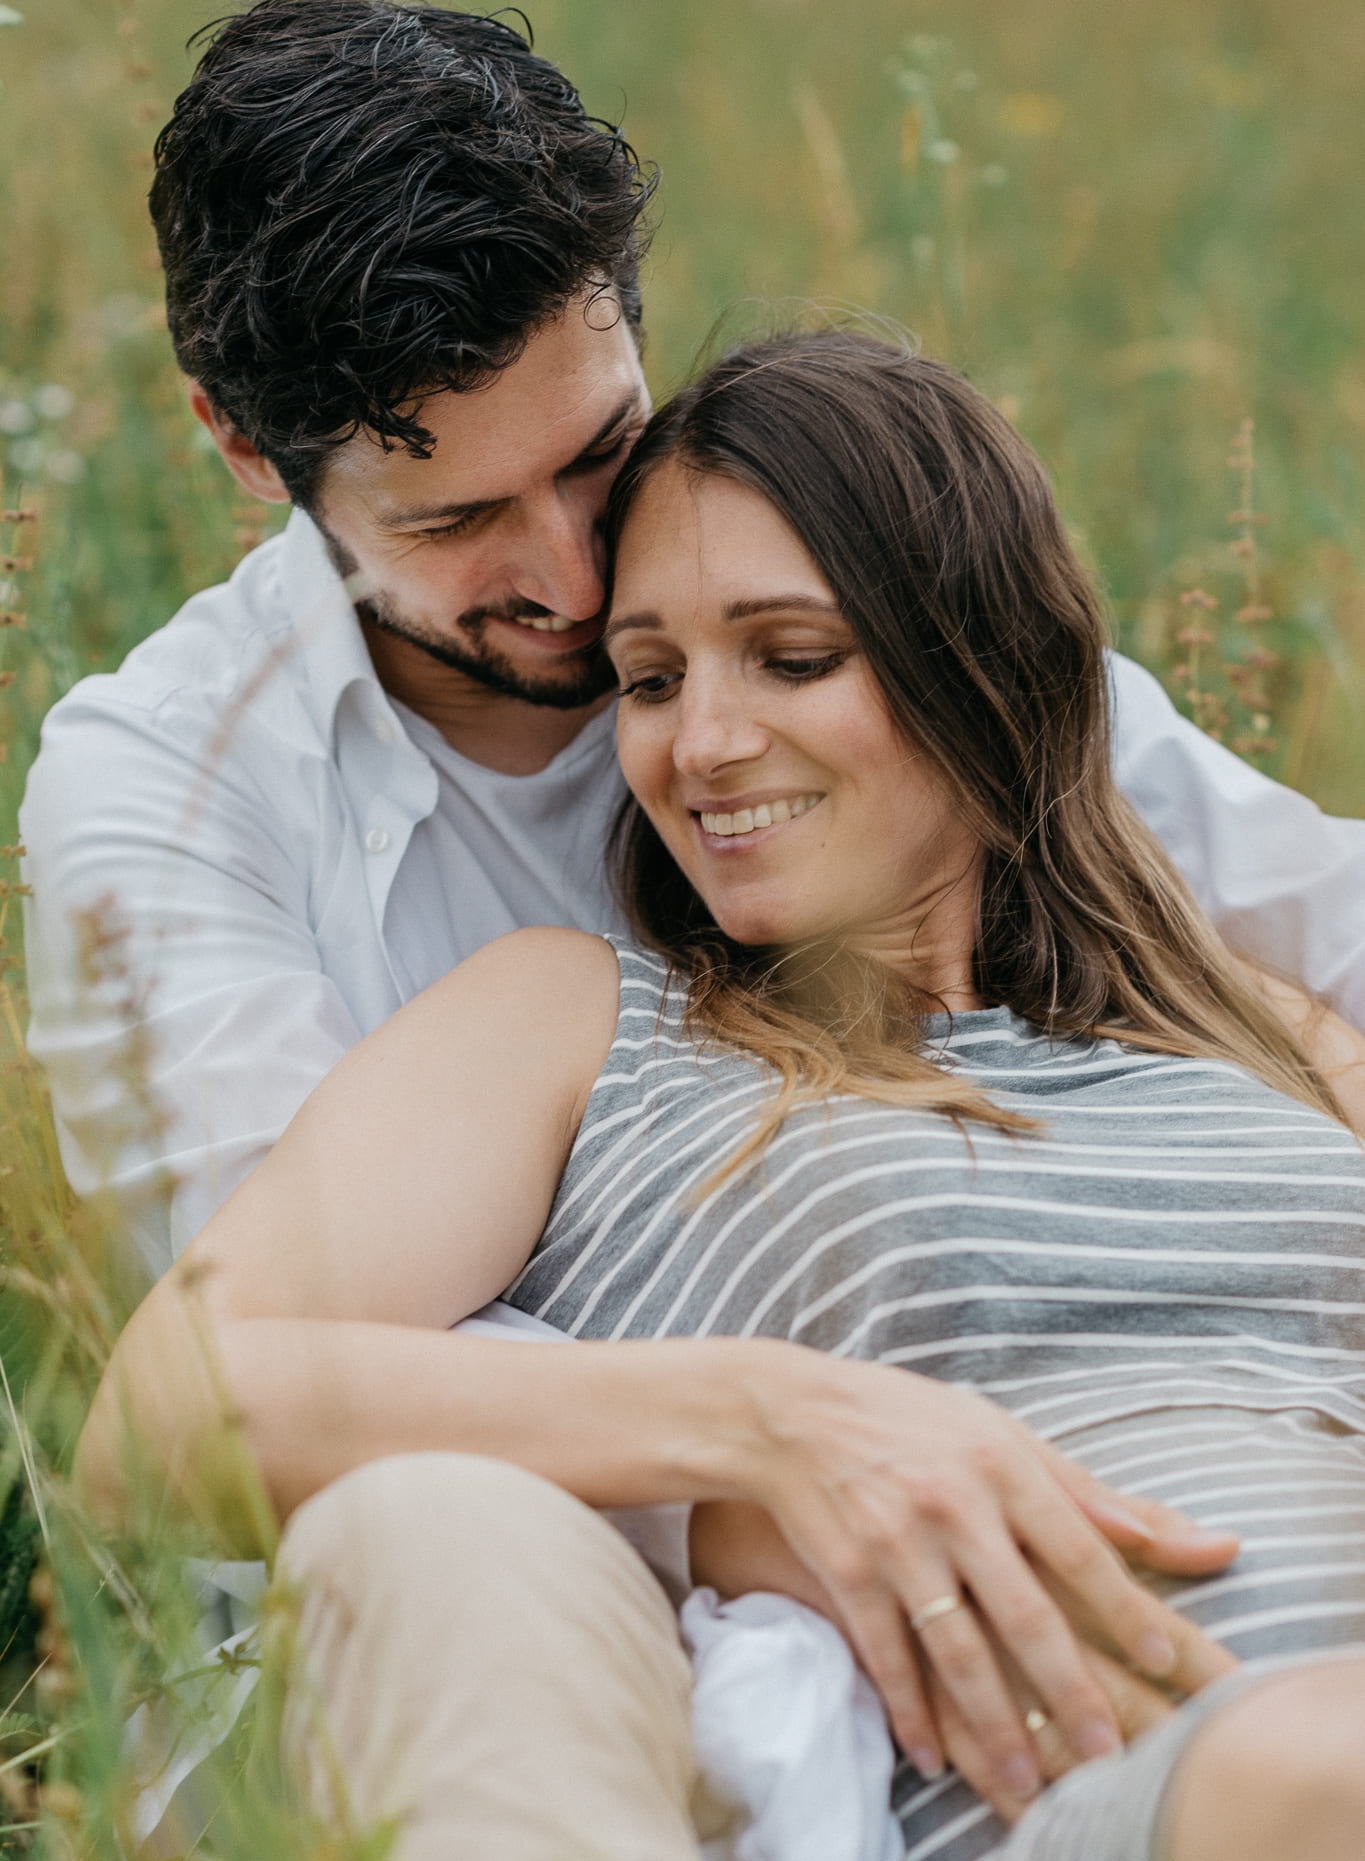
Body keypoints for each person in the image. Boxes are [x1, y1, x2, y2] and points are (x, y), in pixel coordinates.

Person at [77, 333, 1365, 1861]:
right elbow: (168, 1411)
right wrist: (767, 1419)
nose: (703, 743)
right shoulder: (574, 1019)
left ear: (977, 659)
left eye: (789, 657)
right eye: (650, 677)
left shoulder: (1246, 1018)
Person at [20, 0, 1365, 1287]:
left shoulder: (836, 605)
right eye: (458, 520)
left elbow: (1323, 919)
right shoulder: (170, 787)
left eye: (598, 452)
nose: (573, 570)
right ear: (244, 449)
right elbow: (276, 1339)